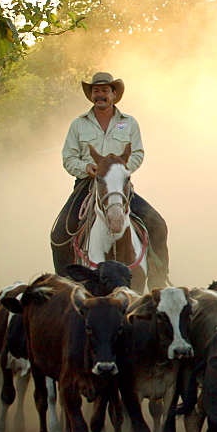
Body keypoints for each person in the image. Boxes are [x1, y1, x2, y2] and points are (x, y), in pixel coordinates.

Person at [50, 72, 170, 287]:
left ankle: (158, 278)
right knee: (59, 234)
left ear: (114, 94)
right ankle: (65, 284)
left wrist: (118, 170)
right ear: (91, 96)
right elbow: (68, 157)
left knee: (157, 224)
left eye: (105, 90)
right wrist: (86, 167)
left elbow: (138, 153)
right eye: (96, 91)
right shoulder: (79, 124)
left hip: (119, 185)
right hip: (87, 184)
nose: (100, 95)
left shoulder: (129, 122)